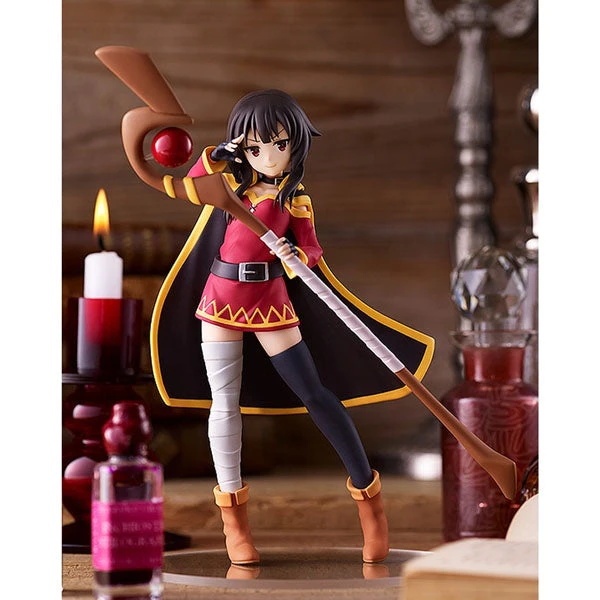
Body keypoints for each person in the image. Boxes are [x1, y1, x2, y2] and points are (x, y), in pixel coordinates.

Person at [150, 89, 434, 565]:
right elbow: (190, 184)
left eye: (278, 144)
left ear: (296, 144)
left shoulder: (295, 199)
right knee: (224, 404)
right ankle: (234, 525)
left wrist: (296, 254)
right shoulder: (231, 188)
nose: (268, 156)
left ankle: (370, 502)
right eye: (254, 147)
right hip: (220, 297)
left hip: (269, 301)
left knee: (314, 393)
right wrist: (216, 156)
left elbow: (313, 250)